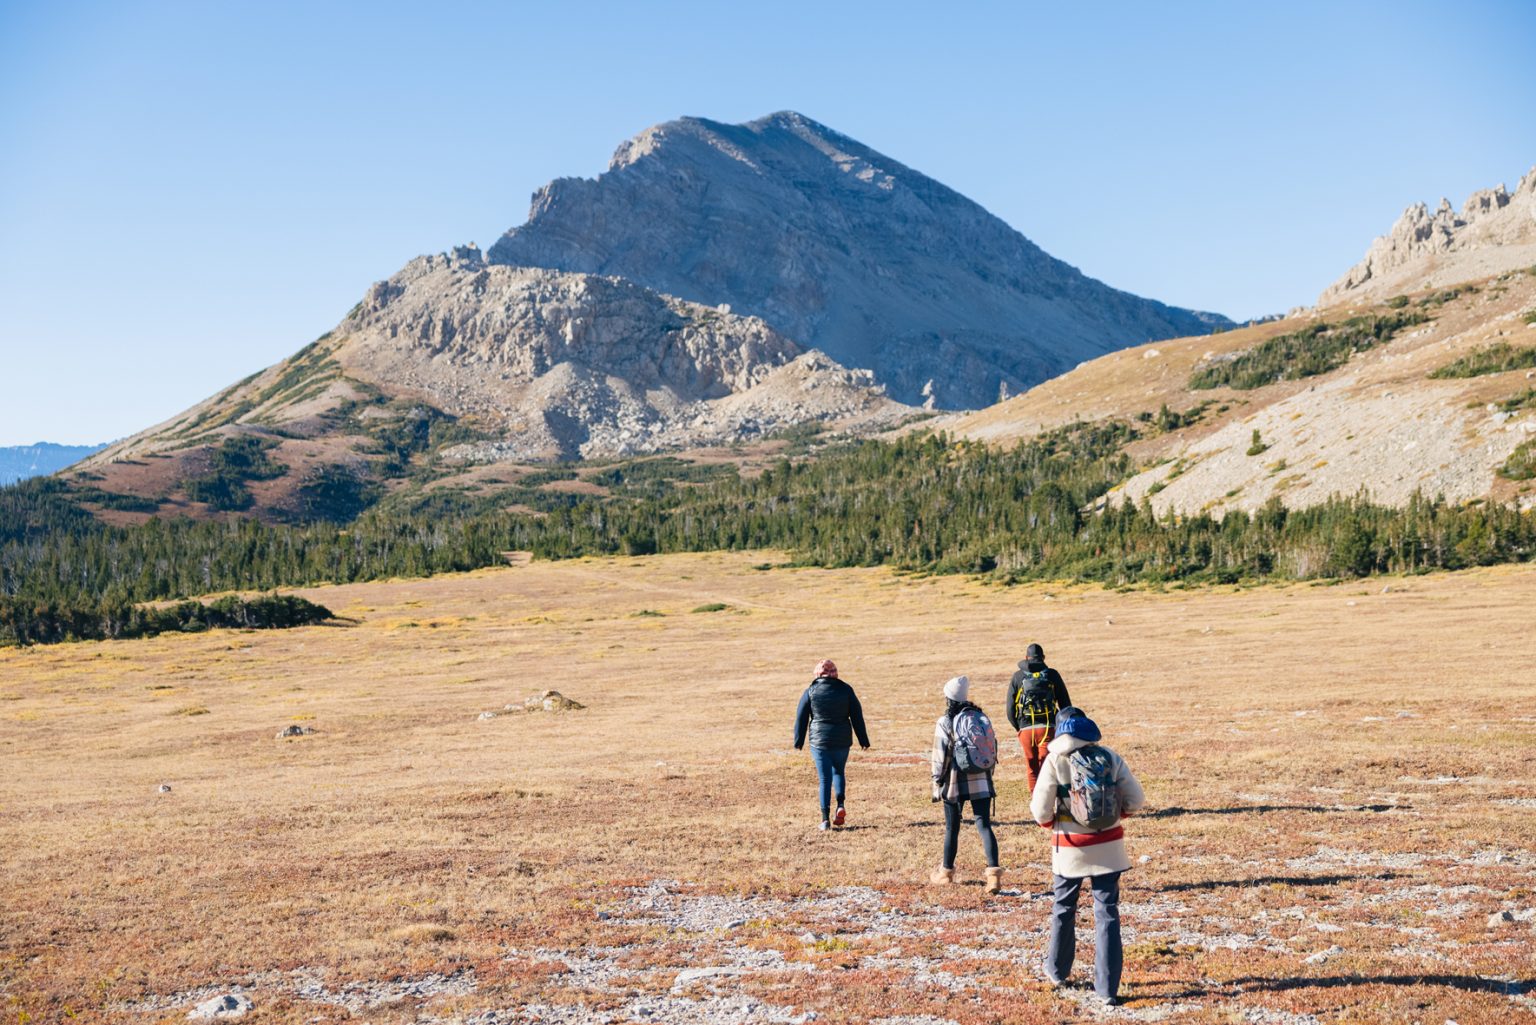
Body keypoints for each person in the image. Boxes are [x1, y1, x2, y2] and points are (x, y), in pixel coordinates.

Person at [1030, 707, 1146, 1007]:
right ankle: (1107, 988)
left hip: (1069, 848)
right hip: (1109, 847)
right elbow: (1136, 799)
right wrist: (1116, 815)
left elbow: (1040, 809)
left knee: (1064, 907)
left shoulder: (1056, 759)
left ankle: (1057, 970)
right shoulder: (1109, 756)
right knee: (1107, 912)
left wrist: (1051, 823)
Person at [928, 675, 1003, 893]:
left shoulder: (945, 722)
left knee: (953, 828)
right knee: (984, 825)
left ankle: (946, 872)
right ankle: (994, 876)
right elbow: (992, 748)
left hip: (954, 782)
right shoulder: (980, 718)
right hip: (981, 778)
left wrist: (936, 782)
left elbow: (939, 756)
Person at [793, 658, 870, 830]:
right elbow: (857, 716)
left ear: (818, 674)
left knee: (824, 778)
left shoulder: (810, 691)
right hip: (842, 740)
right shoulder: (846, 690)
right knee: (839, 772)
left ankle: (825, 819)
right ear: (835, 673)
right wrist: (863, 739)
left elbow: (801, 717)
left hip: (819, 742)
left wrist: (798, 740)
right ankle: (840, 805)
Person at [1006, 642, 1072, 794]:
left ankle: (1036, 802)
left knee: (1031, 767)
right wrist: (1064, 727)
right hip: (1048, 727)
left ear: (1026, 658)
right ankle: (1050, 800)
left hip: (1025, 729)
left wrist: (1019, 727)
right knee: (1047, 765)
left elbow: (1009, 708)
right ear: (1043, 657)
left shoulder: (1017, 676)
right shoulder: (1052, 674)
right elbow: (1065, 704)